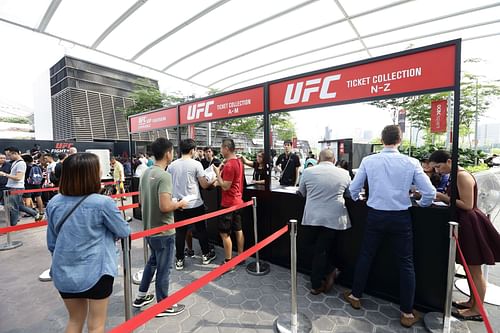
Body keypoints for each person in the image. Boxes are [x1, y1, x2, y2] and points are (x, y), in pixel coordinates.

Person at [344, 125, 436, 328]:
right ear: (400, 140)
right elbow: (429, 192)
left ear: (382, 139)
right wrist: (419, 205)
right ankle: (407, 313)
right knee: (406, 263)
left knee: (366, 255)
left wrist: (359, 198)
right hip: (401, 217)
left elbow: (353, 189)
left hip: (375, 215)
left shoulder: (369, 160)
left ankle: (355, 296)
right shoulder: (410, 162)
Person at [46, 152, 130, 333]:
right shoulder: (103, 203)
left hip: (64, 273)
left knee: (74, 321)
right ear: (91, 173)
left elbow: (52, 243)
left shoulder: (54, 203)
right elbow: (124, 230)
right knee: (96, 325)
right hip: (97, 272)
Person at [429, 150, 500, 321]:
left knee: (474, 268)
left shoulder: (462, 176)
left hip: (470, 224)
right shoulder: (456, 175)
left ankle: (477, 310)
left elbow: (467, 204)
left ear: (448, 161)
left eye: (438, 167)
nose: (438, 171)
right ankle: (472, 302)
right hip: (465, 222)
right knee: (469, 267)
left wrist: (442, 197)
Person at [133, 138, 188, 316]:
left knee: (153, 263)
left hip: (149, 229)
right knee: (164, 269)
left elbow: (141, 202)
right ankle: (163, 305)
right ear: (167, 153)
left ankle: (141, 295)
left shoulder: (146, 173)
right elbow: (165, 207)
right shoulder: (164, 176)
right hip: (164, 231)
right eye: (172, 151)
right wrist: (179, 204)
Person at [298, 149, 351, 295]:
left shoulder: (308, 172)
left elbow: (300, 192)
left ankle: (317, 283)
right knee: (322, 249)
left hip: (313, 217)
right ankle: (329, 272)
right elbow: (350, 194)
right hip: (334, 218)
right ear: (334, 160)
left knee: (316, 248)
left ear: (319, 160)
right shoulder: (344, 173)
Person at [167, 139, 217, 270]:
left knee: (180, 233)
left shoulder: (172, 165)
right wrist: (214, 180)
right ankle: (206, 255)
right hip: (195, 204)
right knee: (201, 230)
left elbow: (169, 184)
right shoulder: (196, 164)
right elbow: (204, 185)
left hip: (179, 205)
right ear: (192, 150)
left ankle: (179, 260)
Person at [213, 138, 245, 266]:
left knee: (224, 233)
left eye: (221, 148)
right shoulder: (237, 162)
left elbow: (225, 186)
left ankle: (228, 261)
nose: (220, 150)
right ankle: (241, 257)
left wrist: (217, 173)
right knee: (238, 230)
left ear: (226, 148)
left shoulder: (230, 165)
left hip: (228, 204)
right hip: (238, 201)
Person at [0, 147, 42, 225]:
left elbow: (18, 178)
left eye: (9, 155)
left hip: (16, 188)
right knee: (17, 206)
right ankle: (35, 214)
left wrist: (4, 174)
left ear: (15, 153)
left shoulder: (21, 164)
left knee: (14, 208)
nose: (8, 157)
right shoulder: (16, 162)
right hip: (13, 187)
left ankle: (13, 226)